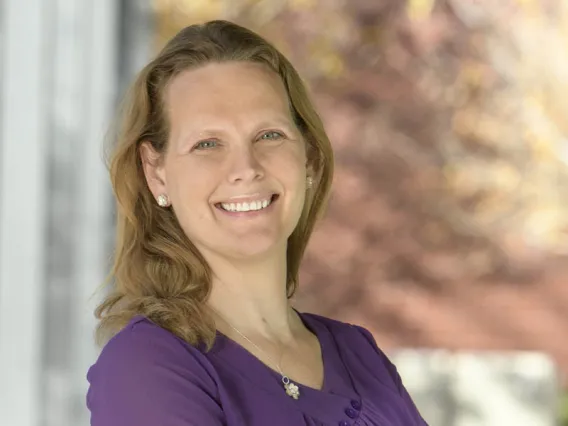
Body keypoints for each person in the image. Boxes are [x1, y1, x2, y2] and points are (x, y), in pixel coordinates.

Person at [86, 20, 428, 426]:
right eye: (207, 144)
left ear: (309, 158)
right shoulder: (147, 368)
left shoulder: (359, 353)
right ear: (157, 173)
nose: (245, 169)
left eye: (269, 135)